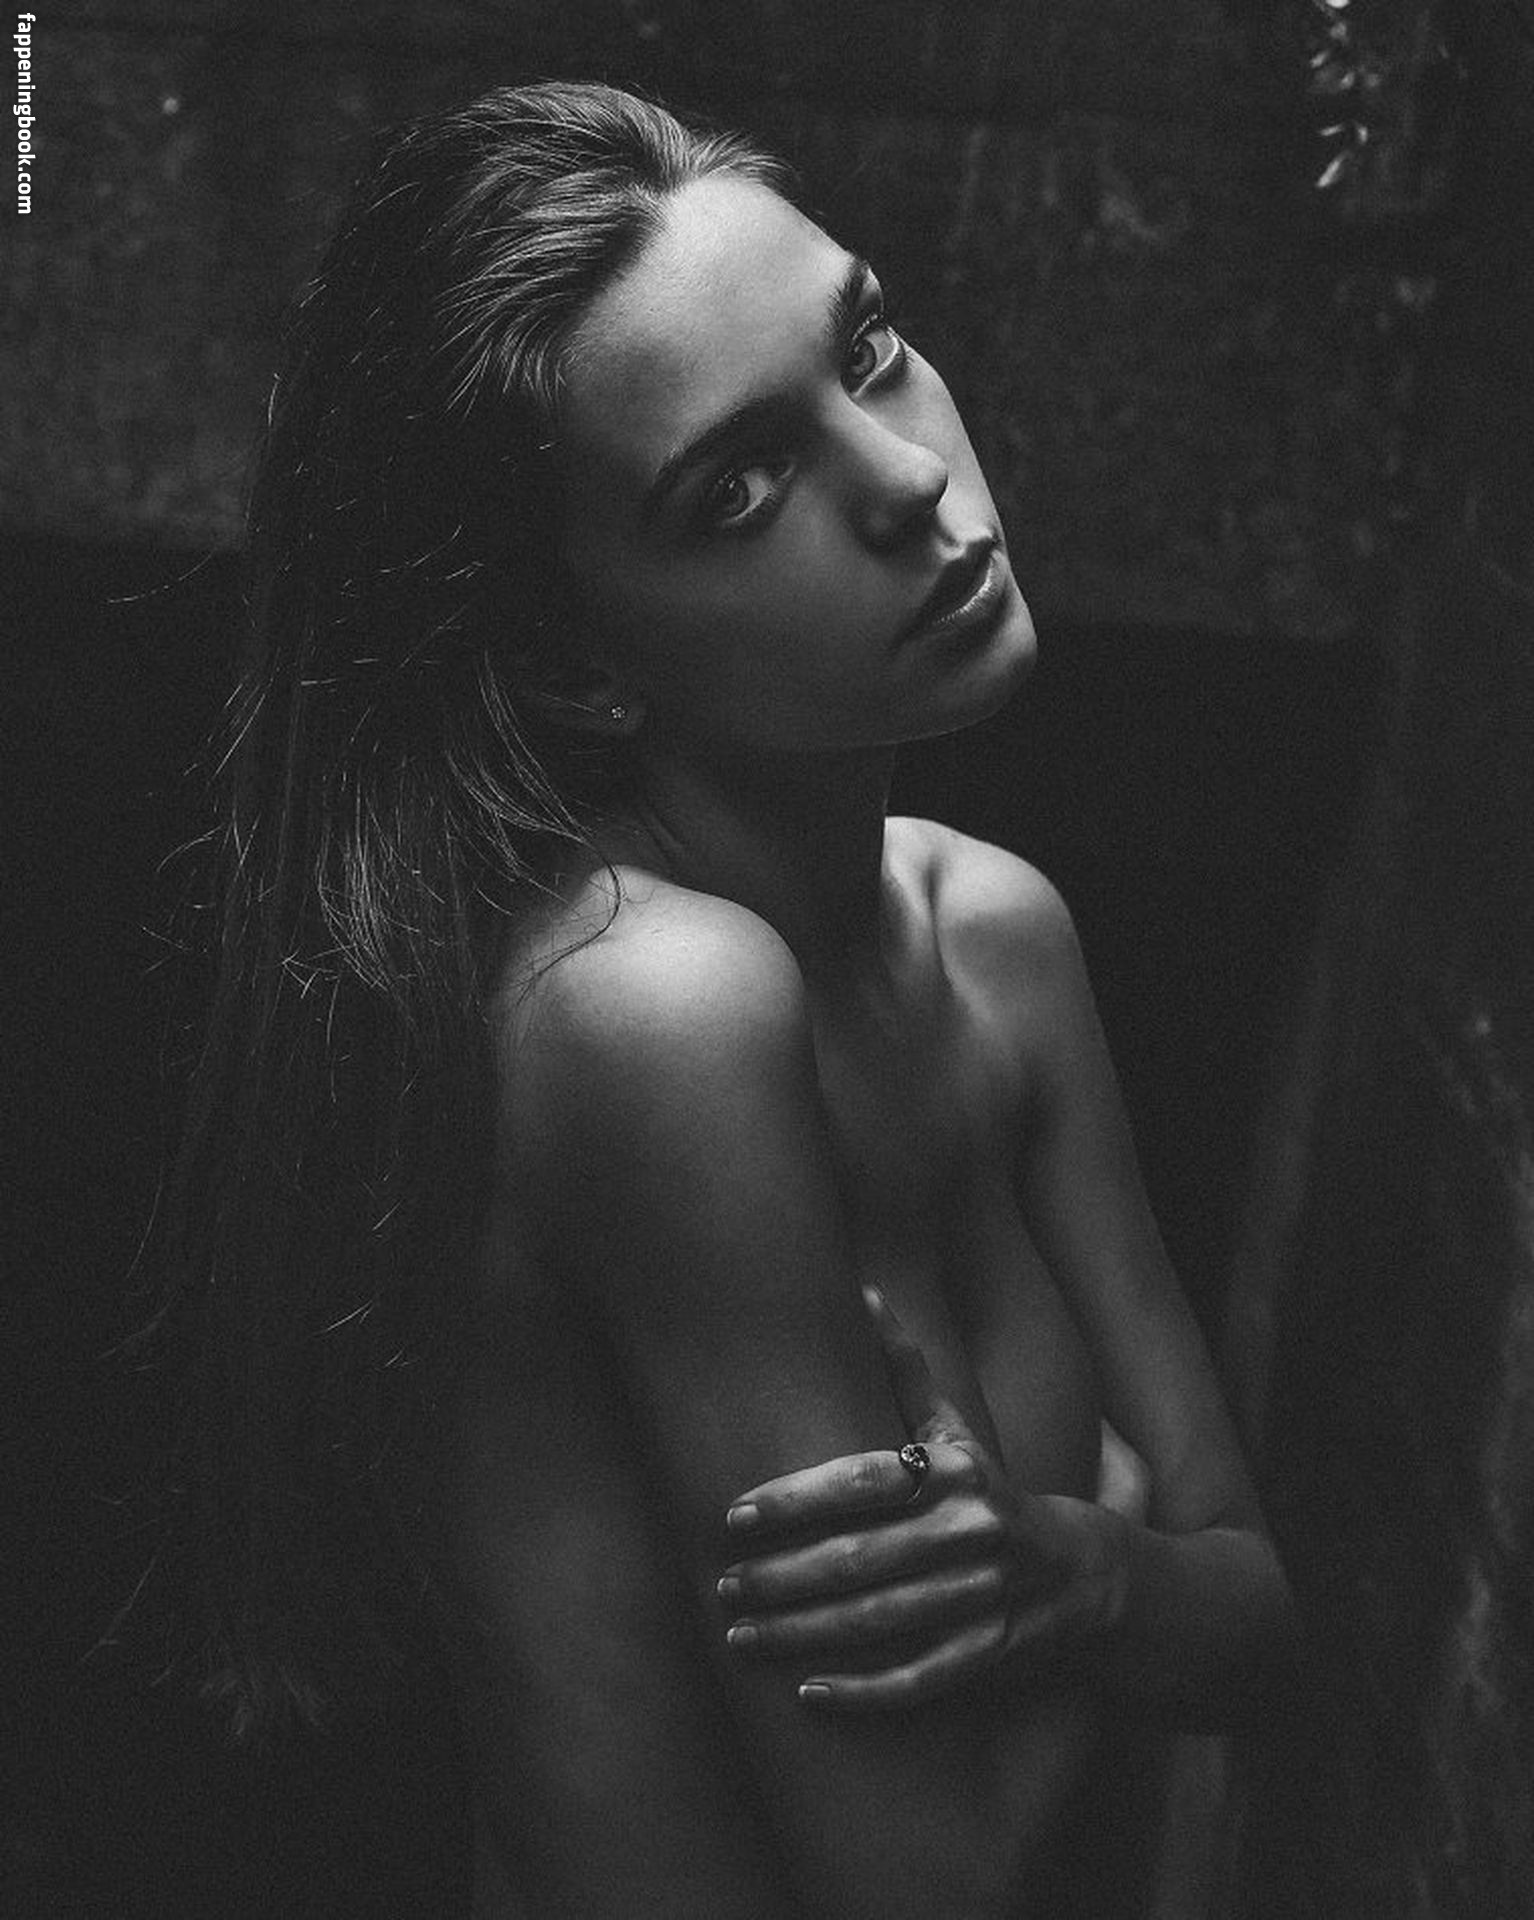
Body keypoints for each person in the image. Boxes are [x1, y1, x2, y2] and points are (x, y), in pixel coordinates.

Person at [155, 79, 1298, 1917]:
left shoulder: (993, 934)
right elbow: (937, 1888)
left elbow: (1256, 1625)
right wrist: (1108, 1525)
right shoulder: (648, 1011)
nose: (907, 480)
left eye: (871, 349)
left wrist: (1080, 1573)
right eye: (740, 489)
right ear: (574, 660)